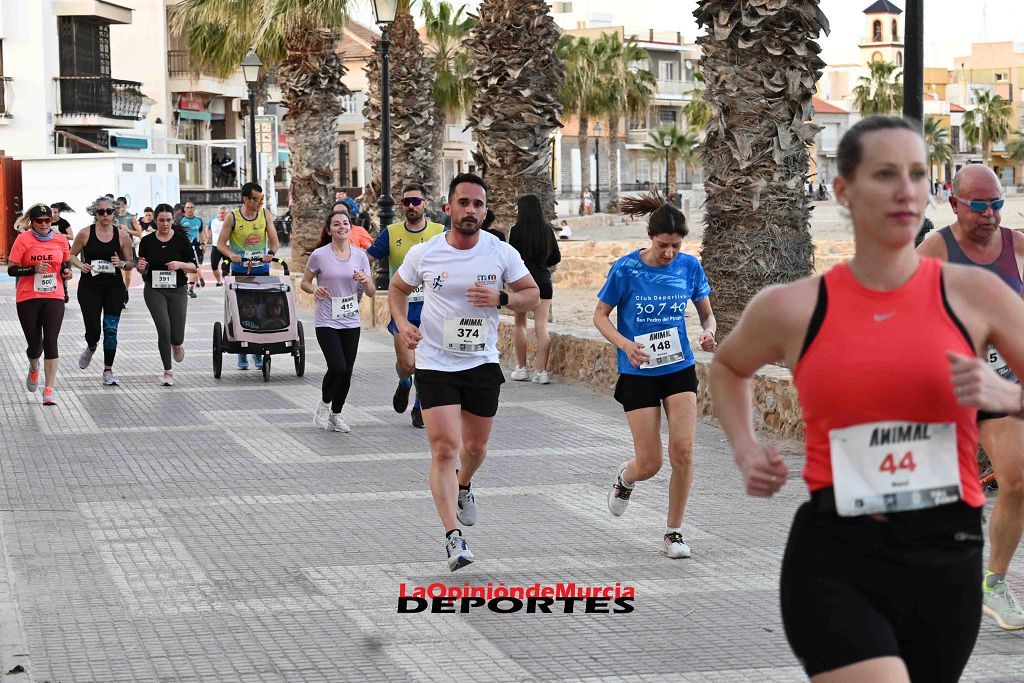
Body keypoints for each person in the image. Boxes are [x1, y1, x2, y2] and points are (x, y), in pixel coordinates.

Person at [708, 115, 1024, 681]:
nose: (905, 189)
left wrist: (1006, 393)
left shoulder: (978, 296)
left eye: (917, 174)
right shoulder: (793, 307)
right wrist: (744, 444)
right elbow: (729, 367)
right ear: (842, 191)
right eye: (884, 174)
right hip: (837, 554)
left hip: (946, 552)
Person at [389, 172, 539, 571]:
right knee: (443, 448)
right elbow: (397, 289)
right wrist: (403, 325)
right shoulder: (426, 253)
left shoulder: (499, 252)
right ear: (449, 207)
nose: (471, 210)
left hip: (481, 361)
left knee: (475, 449)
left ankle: (465, 483)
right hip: (436, 363)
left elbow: (533, 295)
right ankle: (454, 538)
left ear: (485, 211)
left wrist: (502, 297)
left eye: (478, 204)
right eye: (464, 203)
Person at [917, 164, 1024, 630]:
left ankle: (994, 585)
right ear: (954, 203)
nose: (990, 214)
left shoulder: (1018, 248)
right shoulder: (935, 250)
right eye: (979, 205)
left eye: (997, 204)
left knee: (1018, 477)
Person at [595, 192, 716, 559]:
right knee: (650, 462)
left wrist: (709, 331)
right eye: (664, 245)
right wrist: (625, 344)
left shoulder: (689, 267)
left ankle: (673, 532)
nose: (670, 254)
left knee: (683, 449)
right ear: (651, 237)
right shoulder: (626, 269)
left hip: (678, 367)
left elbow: (707, 314)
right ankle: (625, 478)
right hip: (638, 371)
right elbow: (600, 316)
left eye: (677, 246)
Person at [367, 182, 446, 429]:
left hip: (433, 311)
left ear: (425, 204)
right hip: (403, 311)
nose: (411, 206)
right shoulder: (391, 233)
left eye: (416, 201)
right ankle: (404, 384)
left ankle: (419, 408)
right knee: (408, 365)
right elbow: (366, 257)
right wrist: (358, 276)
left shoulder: (440, 231)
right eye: (406, 202)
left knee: (426, 364)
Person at [301, 210, 374, 433]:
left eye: (345, 223)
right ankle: (323, 406)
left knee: (347, 371)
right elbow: (305, 282)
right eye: (336, 224)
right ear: (328, 229)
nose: (341, 227)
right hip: (326, 320)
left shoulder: (360, 256)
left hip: (351, 320)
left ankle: (337, 414)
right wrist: (315, 289)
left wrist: (365, 279)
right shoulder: (320, 255)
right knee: (337, 367)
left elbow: (371, 292)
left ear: (350, 227)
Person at [7, 204, 72, 406]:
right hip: (28, 297)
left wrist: (67, 273)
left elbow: (65, 264)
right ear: (32, 222)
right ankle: (34, 366)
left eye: (48, 220)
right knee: (35, 344)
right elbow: (11, 270)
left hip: (54, 295)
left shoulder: (60, 239)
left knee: (51, 340)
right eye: (39, 221)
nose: (44, 224)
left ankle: (49, 388)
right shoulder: (23, 239)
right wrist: (33, 268)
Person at [68, 197, 134, 386]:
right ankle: (90, 346)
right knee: (94, 331)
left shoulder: (122, 235)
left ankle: (108, 371)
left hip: (114, 288)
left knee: (111, 330)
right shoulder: (85, 233)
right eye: (100, 211)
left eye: (108, 211)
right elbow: (71, 255)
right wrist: (81, 265)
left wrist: (121, 264)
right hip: (90, 288)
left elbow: (130, 263)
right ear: (94, 213)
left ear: (114, 213)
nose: (105, 215)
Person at [216, 182, 280, 370]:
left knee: (261, 310)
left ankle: (258, 351)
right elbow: (220, 243)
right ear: (246, 199)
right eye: (256, 198)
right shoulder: (233, 217)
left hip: (261, 270)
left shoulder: (264, 214)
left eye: (262, 198)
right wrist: (231, 255)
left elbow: (275, 242)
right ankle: (242, 352)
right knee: (243, 310)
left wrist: (271, 253)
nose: (260, 202)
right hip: (240, 271)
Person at [137, 203, 198, 386]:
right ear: (155, 221)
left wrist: (180, 265)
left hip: (178, 289)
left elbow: (193, 266)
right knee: (164, 329)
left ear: (173, 220)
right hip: (154, 289)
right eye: (161, 220)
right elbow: (143, 268)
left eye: (168, 220)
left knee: (176, 335)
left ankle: (177, 344)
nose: (165, 224)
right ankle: (167, 371)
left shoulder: (180, 239)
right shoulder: (147, 241)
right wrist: (141, 268)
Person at [508, 195, 561, 384]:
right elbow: (556, 257)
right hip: (544, 282)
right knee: (541, 326)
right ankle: (542, 372)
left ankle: (522, 368)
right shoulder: (547, 230)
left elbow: (510, 258)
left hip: (521, 283)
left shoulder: (515, 231)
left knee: (520, 324)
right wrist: (542, 263)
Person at [178, 201, 206, 297]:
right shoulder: (181, 221)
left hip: (195, 248)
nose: (189, 209)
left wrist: (203, 244)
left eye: (191, 207)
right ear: (185, 209)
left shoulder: (199, 220)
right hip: (183, 248)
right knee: (182, 268)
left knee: (194, 268)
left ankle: (191, 289)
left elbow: (201, 232)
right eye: (188, 207)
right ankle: (182, 286)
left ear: (194, 209)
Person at [208, 205, 227, 287]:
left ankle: (227, 283)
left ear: (226, 213)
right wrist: (208, 237)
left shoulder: (229, 221)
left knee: (225, 266)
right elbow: (207, 228)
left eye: (223, 213)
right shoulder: (213, 221)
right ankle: (219, 281)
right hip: (216, 246)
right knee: (214, 265)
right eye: (220, 213)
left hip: (227, 247)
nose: (221, 214)